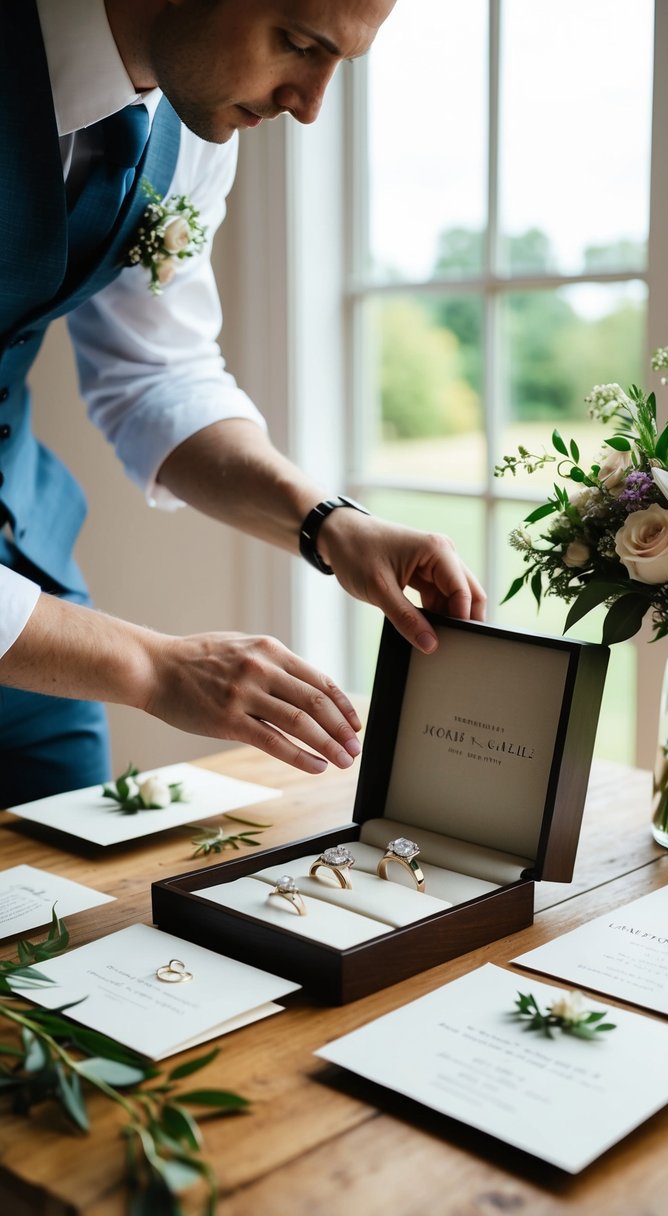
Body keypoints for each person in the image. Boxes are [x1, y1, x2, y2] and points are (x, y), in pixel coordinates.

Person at [0, 0, 486, 807]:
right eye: (296, 43)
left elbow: (156, 374)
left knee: (70, 919)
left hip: (40, 615)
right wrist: (150, 665)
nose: (309, 104)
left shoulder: (185, 123)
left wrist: (329, 523)